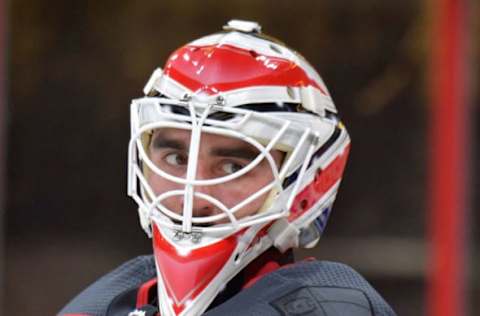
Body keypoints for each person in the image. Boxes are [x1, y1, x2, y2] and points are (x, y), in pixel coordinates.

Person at [59, 20, 396, 316]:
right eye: (176, 159)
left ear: (306, 182)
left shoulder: (326, 306)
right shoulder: (107, 301)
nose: (194, 194)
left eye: (231, 165)